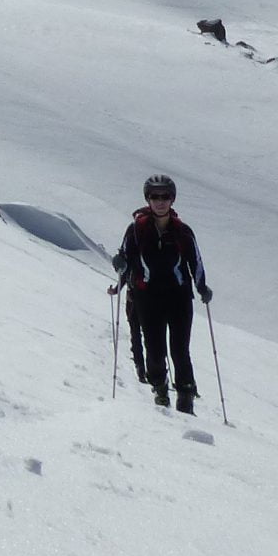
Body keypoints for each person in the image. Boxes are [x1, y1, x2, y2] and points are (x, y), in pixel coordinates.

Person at [109, 174, 213, 412]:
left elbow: (195, 261)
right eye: (155, 196)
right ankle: (160, 388)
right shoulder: (136, 230)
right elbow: (126, 259)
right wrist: (119, 277)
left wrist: (202, 287)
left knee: (179, 348)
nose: (160, 201)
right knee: (154, 347)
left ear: (172, 199)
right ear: (148, 199)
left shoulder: (182, 232)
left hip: (178, 297)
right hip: (148, 297)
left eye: (165, 196)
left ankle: (185, 394)